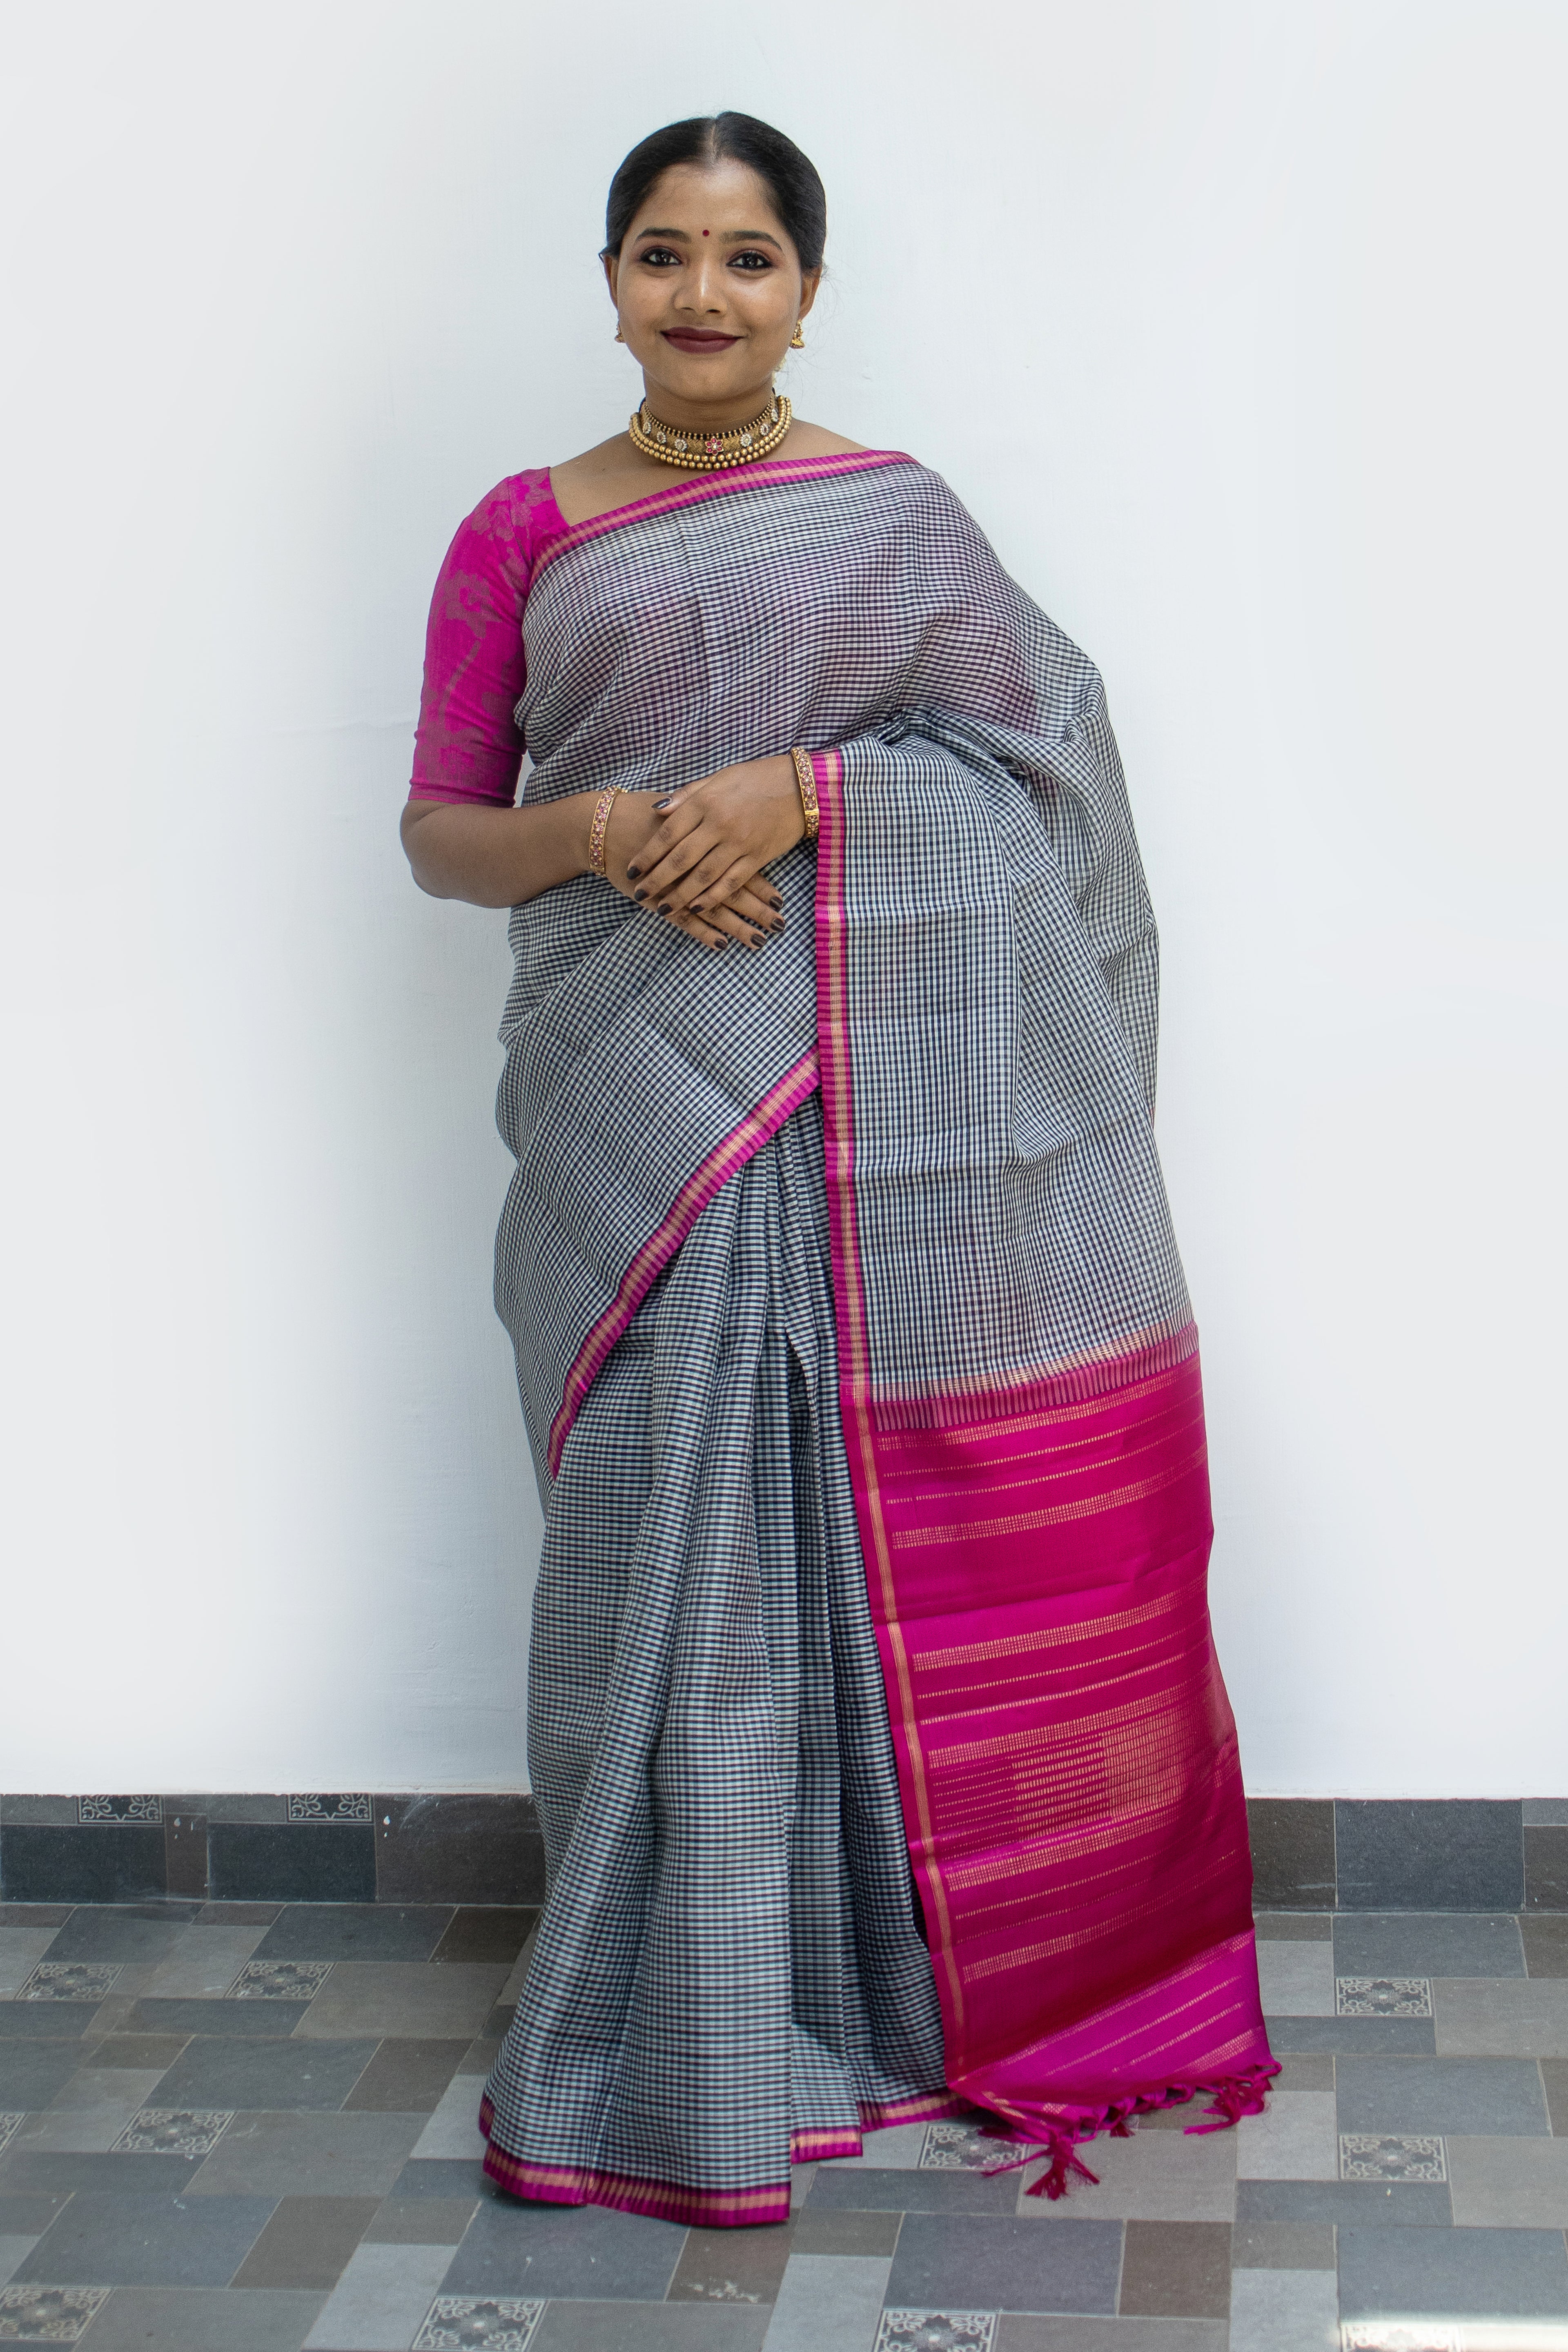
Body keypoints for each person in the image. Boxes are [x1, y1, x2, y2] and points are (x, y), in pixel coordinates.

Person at [401, 110, 1276, 2228]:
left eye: (748, 257)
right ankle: (676, 2004)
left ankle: (900, 1998)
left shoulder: (892, 526)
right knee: (648, 1553)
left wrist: (809, 796)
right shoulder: (520, 531)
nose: (702, 293)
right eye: (662, 252)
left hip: (864, 1113)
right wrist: (612, 831)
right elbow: (442, 835)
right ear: (611, 278)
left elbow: (1044, 763)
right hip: (630, 1114)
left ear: (808, 288)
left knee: (867, 1541)